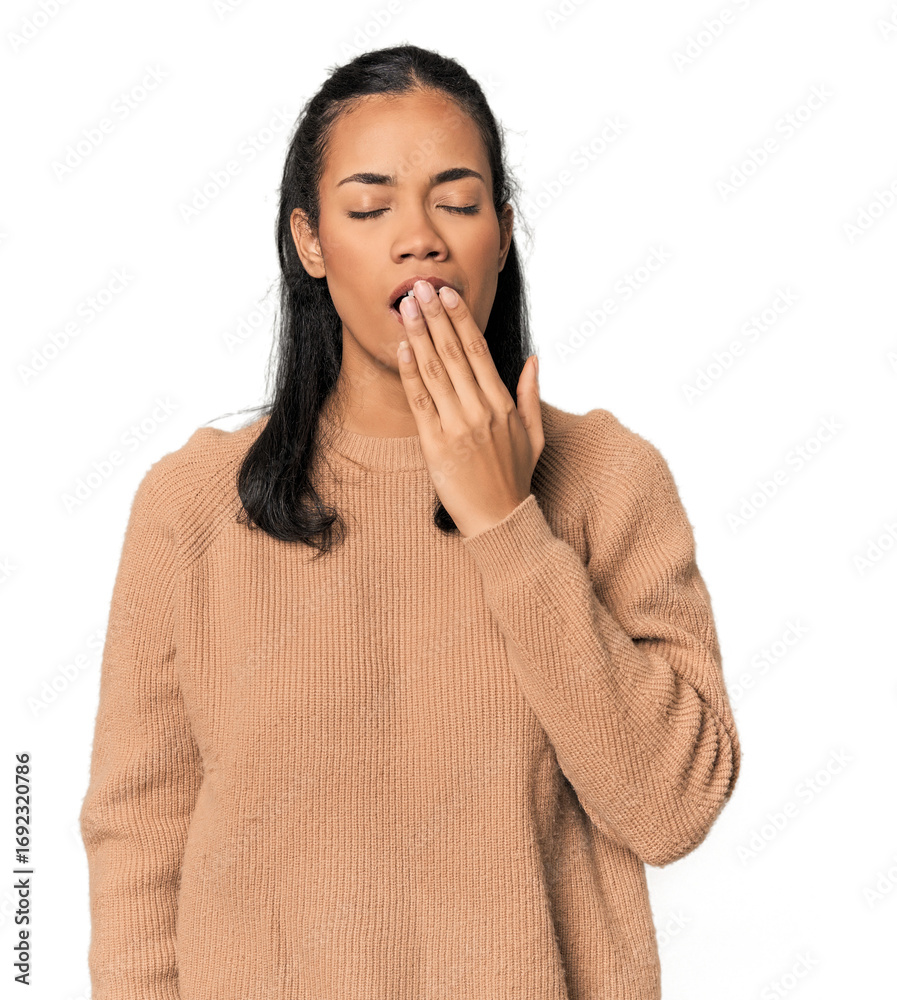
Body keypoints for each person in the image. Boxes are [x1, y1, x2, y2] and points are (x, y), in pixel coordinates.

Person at [79, 43, 742, 1000]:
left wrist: (506, 523)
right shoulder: (191, 506)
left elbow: (670, 810)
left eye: (458, 203)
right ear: (310, 242)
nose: (419, 238)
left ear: (501, 235)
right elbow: (138, 839)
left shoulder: (609, 480)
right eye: (369, 208)